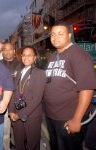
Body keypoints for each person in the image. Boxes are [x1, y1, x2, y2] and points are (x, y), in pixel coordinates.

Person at [44, 22, 96, 150]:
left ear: (69, 35)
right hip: (52, 116)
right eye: (53, 34)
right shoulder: (53, 55)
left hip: (68, 117)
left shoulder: (78, 54)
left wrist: (76, 119)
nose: (56, 37)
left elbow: (87, 89)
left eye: (60, 34)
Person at [8, 46, 46, 150]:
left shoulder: (40, 73)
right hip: (16, 113)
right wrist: (11, 111)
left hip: (31, 115)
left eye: (29, 55)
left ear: (34, 58)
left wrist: (20, 115)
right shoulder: (19, 72)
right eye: (24, 55)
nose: (26, 57)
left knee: (32, 144)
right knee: (18, 143)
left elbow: (37, 98)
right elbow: (13, 92)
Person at [1, 42, 22, 150]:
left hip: (18, 102)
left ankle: (19, 146)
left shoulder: (21, 64)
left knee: (19, 130)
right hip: (4, 102)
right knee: (5, 130)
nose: (8, 51)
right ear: (2, 51)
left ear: (14, 51)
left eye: (10, 49)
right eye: (5, 49)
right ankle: (6, 147)